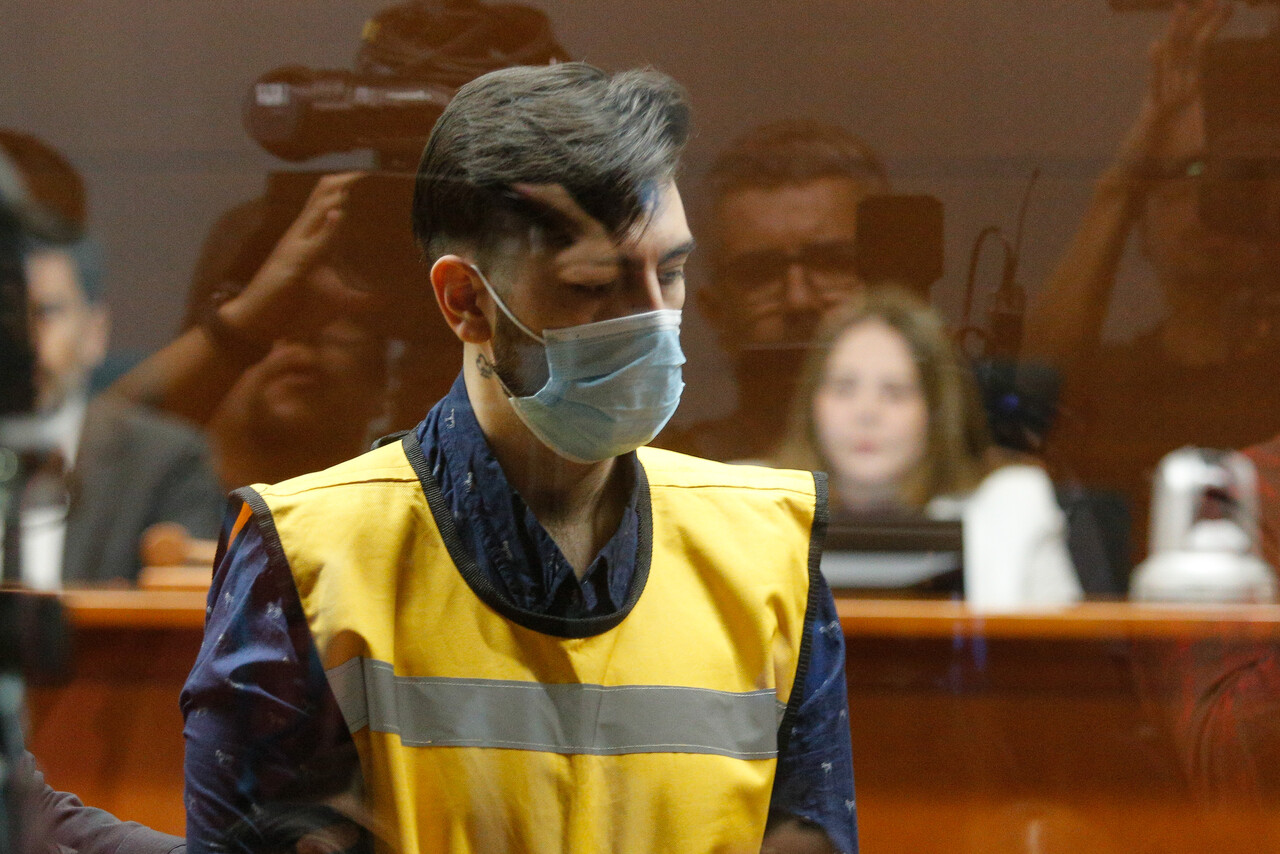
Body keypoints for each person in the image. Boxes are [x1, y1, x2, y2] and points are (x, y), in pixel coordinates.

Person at [181, 63, 857, 854]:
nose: (653, 321)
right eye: (595, 285)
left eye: (670, 273)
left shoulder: (770, 547)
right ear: (466, 302)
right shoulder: (307, 555)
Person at [1025, 0, 1280, 561]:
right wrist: (1124, 176)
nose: (1203, 202)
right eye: (1180, 175)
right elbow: (1038, 382)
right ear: (1139, 219)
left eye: (1229, 176)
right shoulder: (1110, 384)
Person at [0, 133, 222, 586]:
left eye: (46, 312)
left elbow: (187, 616)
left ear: (94, 332)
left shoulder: (163, 463)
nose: (24, 340)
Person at [777, 288, 1082, 609]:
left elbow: (1063, 639)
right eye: (844, 388)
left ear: (936, 411)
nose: (866, 412)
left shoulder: (1013, 507)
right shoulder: (752, 503)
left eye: (895, 392)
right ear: (812, 404)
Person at [660, 120, 890, 462]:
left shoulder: (958, 472)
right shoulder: (666, 479)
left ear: (888, 285)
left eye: (832, 263)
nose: (799, 300)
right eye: (760, 273)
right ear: (715, 310)